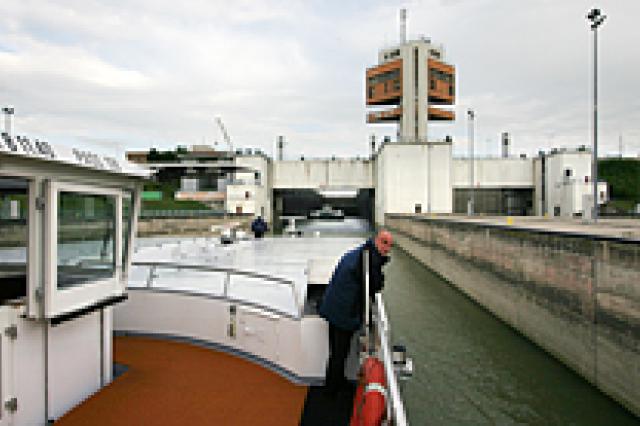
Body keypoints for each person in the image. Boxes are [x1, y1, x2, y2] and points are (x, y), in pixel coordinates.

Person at [319, 229, 393, 395]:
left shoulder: (363, 252)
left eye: (389, 245)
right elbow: (376, 284)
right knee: (339, 353)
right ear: (376, 241)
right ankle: (330, 391)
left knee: (337, 352)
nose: (387, 248)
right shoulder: (369, 259)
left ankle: (337, 381)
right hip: (342, 312)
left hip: (334, 307)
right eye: (384, 243)